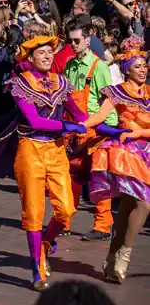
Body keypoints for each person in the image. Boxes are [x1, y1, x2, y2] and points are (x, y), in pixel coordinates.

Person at [0, 36, 125, 290]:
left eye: (51, 52)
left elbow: (84, 117)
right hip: (30, 150)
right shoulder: (19, 84)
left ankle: (45, 245)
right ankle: (36, 269)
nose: (49, 56)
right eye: (43, 53)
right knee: (35, 211)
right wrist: (67, 125)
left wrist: (112, 130)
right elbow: (34, 120)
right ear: (31, 58)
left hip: (57, 152)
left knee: (66, 210)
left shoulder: (62, 83)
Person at [89, 36, 150, 283]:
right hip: (128, 154)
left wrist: (138, 132)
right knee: (144, 204)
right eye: (137, 66)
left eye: (145, 65)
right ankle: (124, 256)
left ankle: (112, 257)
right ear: (126, 69)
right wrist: (79, 126)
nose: (143, 70)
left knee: (126, 209)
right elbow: (98, 117)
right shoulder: (116, 92)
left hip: (147, 150)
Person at [61, 18, 115, 241]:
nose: (73, 44)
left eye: (77, 40)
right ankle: (63, 220)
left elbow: (109, 102)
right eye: (70, 40)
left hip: (95, 130)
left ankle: (103, 225)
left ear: (87, 39)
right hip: (73, 129)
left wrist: (107, 131)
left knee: (98, 178)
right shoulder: (70, 64)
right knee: (69, 177)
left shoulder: (99, 66)